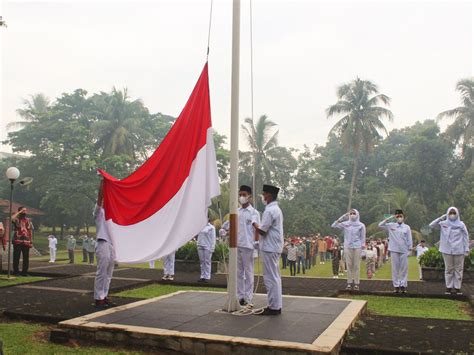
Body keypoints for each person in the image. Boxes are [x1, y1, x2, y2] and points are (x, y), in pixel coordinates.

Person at [252, 184, 284, 316]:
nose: (263, 197)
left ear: (269, 195)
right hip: (273, 247)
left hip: (270, 247)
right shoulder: (276, 209)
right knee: (275, 277)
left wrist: (254, 223)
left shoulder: (270, 211)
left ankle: (274, 306)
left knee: (270, 278)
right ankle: (276, 305)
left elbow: (263, 231)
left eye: (264, 194)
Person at [429, 207, 469, 295]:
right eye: (450, 213)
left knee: (458, 269)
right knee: (449, 269)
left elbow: (466, 237)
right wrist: (441, 217)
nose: (452, 215)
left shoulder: (461, 225)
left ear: (457, 214)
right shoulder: (444, 223)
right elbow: (431, 225)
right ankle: (449, 287)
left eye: (454, 213)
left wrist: (466, 249)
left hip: (459, 250)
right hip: (447, 250)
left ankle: (457, 288)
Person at [94, 182, 117, 309]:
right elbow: (99, 197)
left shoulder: (113, 212)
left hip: (111, 243)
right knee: (102, 272)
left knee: (109, 273)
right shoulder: (99, 211)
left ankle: (104, 295)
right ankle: (98, 298)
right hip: (102, 242)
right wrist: (104, 183)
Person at [236, 185, 260, 306]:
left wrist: (256, 244)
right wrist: (224, 230)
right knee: (238, 273)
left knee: (249, 272)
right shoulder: (237, 211)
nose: (241, 197)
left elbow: (257, 229)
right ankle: (240, 296)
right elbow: (229, 225)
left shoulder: (254, 212)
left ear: (249, 197)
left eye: (244, 195)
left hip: (248, 246)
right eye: (240, 194)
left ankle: (248, 297)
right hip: (237, 245)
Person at [379, 209, 413, 294]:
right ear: (395, 217)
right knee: (395, 269)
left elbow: (409, 239)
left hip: (404, 249)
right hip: (394, 250)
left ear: (403, 217)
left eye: (401, 216)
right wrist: (389, 218)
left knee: (404, 269)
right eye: (397, 216)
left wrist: (410, 248)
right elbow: (380, 225)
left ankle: (403, 285)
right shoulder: (391, 225)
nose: (399, 218)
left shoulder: (407, 227)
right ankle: (396, 286)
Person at [332, 209, 366, 290]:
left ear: (357, 214)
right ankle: (349, 283)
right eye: (351, 213)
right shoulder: (346, 224)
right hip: (348, 246)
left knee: (356, 265)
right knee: (349, 265)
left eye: (354, 213)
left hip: (357, 246)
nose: (352, 214)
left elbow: (363, 238)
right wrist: (343, 217)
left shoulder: (361, 225)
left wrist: (363, 250)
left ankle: (357, 283)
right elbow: (333, 225)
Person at [12, 207, 33, 276]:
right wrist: (19, 212)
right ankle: (16, 272)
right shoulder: (16, 219)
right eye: (23, 210)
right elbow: (12, 218)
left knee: (26, 257)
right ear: (20, 211)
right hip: (17, 240)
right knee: (16, 256)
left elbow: (30, 230)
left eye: (25, 210)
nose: (25, 212)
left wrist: (31, 240)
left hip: (26, 240)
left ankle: (24, 272)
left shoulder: (28, 220)